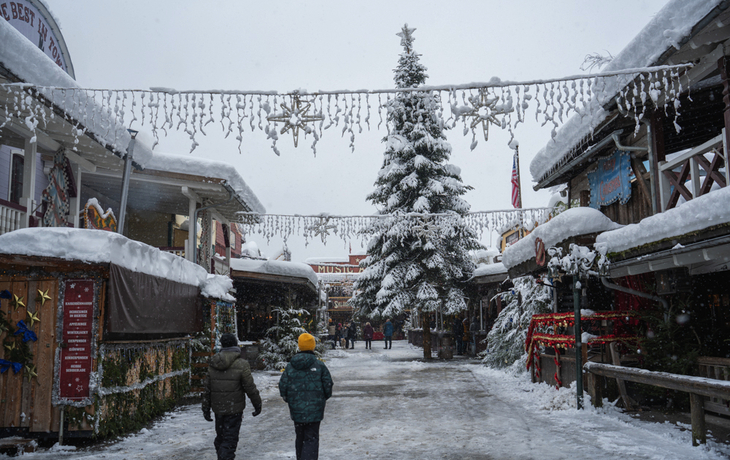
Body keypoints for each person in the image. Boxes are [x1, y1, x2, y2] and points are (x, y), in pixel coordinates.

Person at [203, 333, 262, 460]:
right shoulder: (242, 364)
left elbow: (208, 388)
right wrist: (257, 404)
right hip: (234, 409)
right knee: (230, 440)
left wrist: (206, 408)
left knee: (221, 437)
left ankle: (222, 454)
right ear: (235, 344)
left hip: (218, 409)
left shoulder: (213, 363)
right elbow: (249, 387)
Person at [279, 333, 334, 460]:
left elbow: (283, 385)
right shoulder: (319, 365)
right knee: (312, 438)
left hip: (296, 409)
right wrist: (321, 399)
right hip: (315, 409)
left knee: (300, 437)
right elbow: (328, 384)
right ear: (313, 346)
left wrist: (290, 400)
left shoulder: (290, 366)